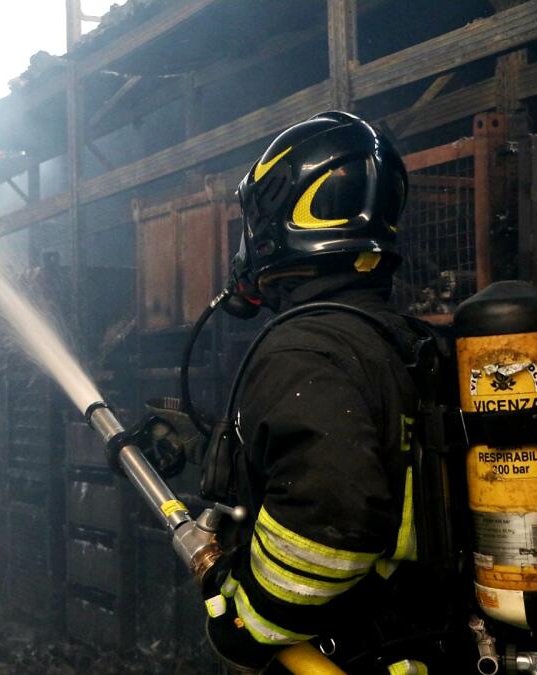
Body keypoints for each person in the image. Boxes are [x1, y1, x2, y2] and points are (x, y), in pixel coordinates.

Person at [183, 112, 459, 673]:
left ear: (275, 221)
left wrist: (249, 626)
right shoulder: (402, 340)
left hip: (358, 651)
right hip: (429, 640)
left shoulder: (304, 349)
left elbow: (331, 524)